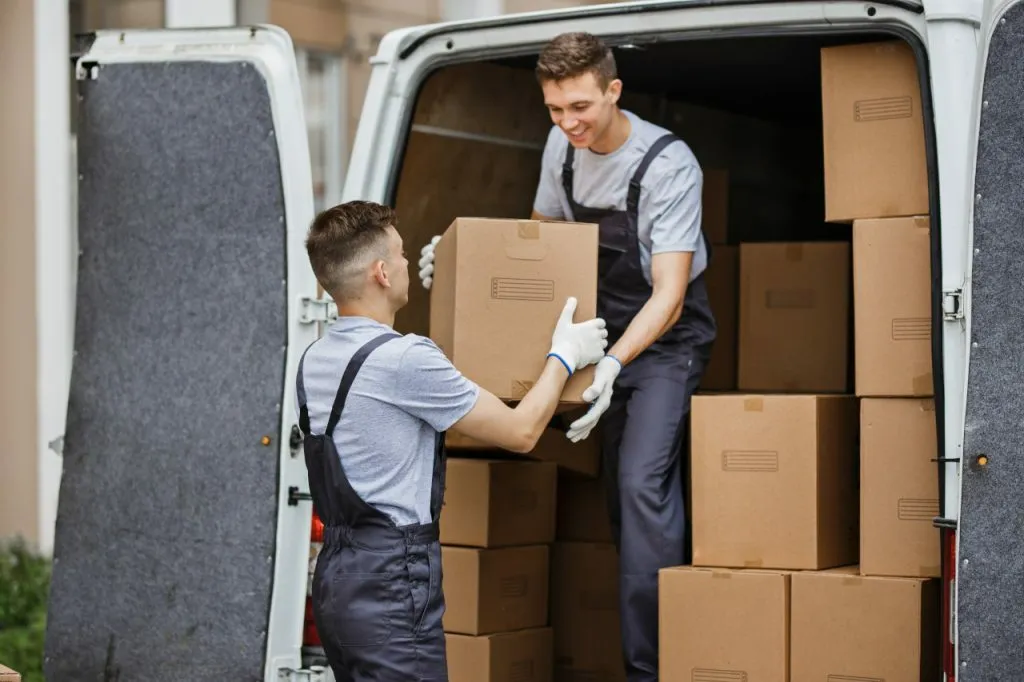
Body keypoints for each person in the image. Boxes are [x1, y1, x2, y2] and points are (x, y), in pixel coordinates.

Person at [418, 32, 716, 682]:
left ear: (613, 90)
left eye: (580, 106)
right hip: (595, 333)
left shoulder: (668, 165)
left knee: (641, 487)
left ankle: (655, 671)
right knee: (618, 496)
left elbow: (668, 293)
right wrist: (461, 257)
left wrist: (612, 367)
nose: (568, 122)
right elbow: (541, 245)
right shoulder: (563, 148)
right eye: (555, 110)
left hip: (665, 344)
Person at [295, 200, 608, 681]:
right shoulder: (405, 361)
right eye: (399, 254)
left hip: (338, 586)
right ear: (381, 272)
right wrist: (564, 358)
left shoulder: (315, 358)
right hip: (391, 587)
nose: (406, 263)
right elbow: (521, 432)